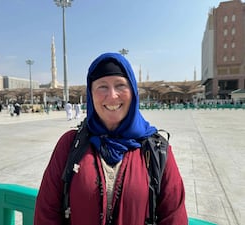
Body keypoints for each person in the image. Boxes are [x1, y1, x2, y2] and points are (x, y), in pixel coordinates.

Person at [34, 52, 188, 225]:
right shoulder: (70, 145)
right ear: (90, 94)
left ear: (133, 92)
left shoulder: (157, 149)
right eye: (102, 86)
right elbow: (47, 213)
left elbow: (174, 217)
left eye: (120, 85)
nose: (112, 95)